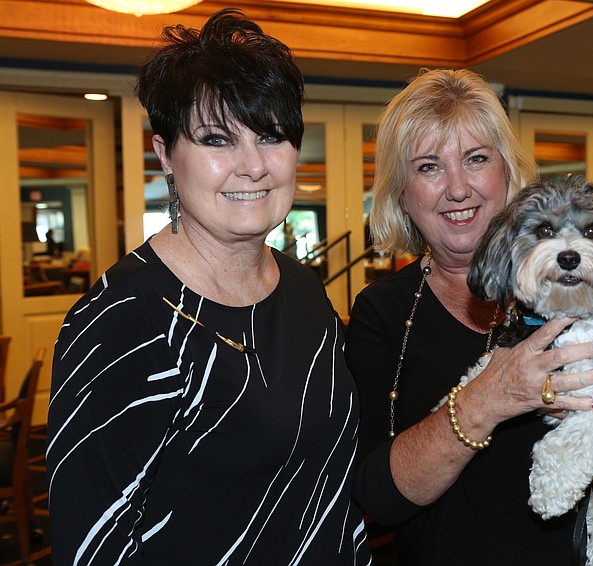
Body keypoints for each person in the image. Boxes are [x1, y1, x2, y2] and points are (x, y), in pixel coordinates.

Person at [344, 68, 593, 564]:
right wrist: (486, 399)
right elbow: (375, 496)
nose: (457, 187)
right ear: (401, 192)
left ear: (507, 171)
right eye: (428, 167)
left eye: (476, 159)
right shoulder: (383, 311)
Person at [46, 10, 370, 564]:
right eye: (217, 139)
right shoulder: (124, 317)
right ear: (165, 156)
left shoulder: (302, 286)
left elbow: (335, 482)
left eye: (270, 135)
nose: (252, 166)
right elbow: (92, 545)